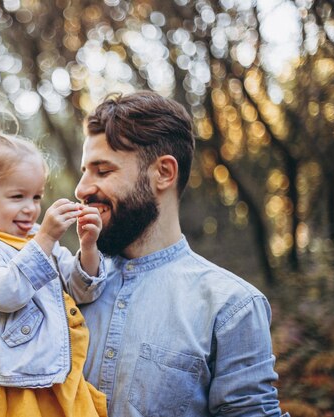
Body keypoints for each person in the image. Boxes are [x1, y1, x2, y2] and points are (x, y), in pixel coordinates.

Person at [75, 91, 289, 417]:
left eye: (102, 171)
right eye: (84, 171)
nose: (82, 189)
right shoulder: (69, 286)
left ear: (163, 173)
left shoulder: (231, 307)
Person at [0, 93, 108, 417]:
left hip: (54, 385)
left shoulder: (37, 241)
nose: (31, 208)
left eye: (36, 196)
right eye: (17, 196)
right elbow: (5, 292)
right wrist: (45, 238)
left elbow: (81, 290)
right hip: (9, 393)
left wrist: (88, 246)